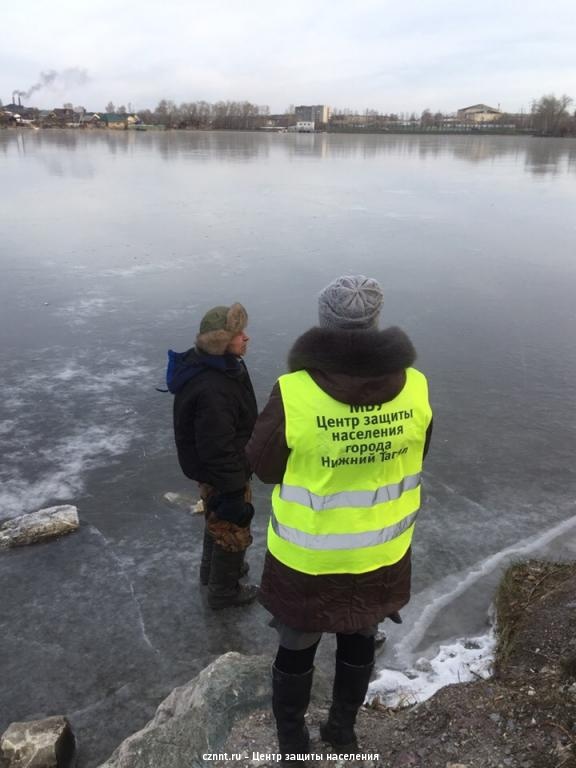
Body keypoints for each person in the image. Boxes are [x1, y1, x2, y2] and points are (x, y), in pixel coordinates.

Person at [246, 275, 433, 758]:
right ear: (375, 321)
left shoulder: (295, 392)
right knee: (360, 634)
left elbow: (264, 466)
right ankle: (342, 732)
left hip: (309, 556)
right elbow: (419, 452)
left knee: (297, 645)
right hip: (379, 552)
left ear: (325, 324)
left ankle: (292, 743)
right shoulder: (415, 387)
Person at [170, 303, 259, 609]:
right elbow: (216, 445)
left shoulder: (223, 366)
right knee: (233, 524)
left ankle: (213, 571)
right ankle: (224, 590)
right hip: (224, 469)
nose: (246, 338)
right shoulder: (213, 387)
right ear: (221, 342)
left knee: (217, 516)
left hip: (215, 468)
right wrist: (234, 489)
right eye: (238, 334)